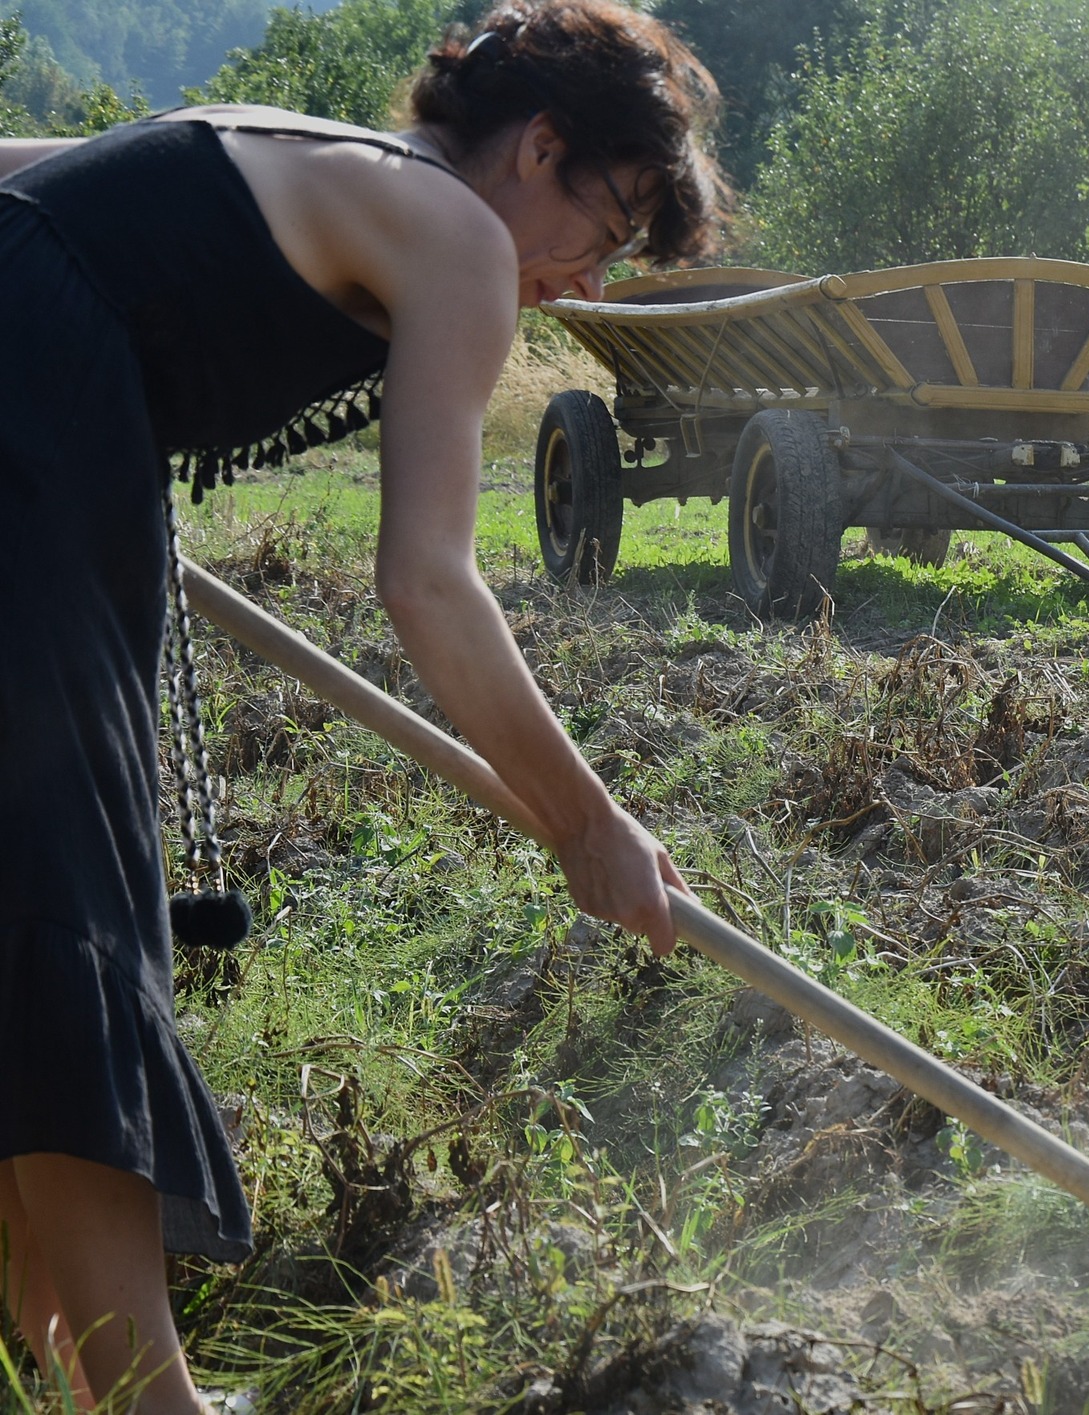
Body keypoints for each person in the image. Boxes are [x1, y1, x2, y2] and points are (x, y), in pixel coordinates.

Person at [0, 3, 723, 1408]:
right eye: (606, 225)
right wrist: (589, 822)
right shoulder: (451, 228)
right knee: (64, 909)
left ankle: (97, 1384)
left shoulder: (293, 154)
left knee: (25, 907)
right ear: (541, 143)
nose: (583, 282)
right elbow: (429, 585)